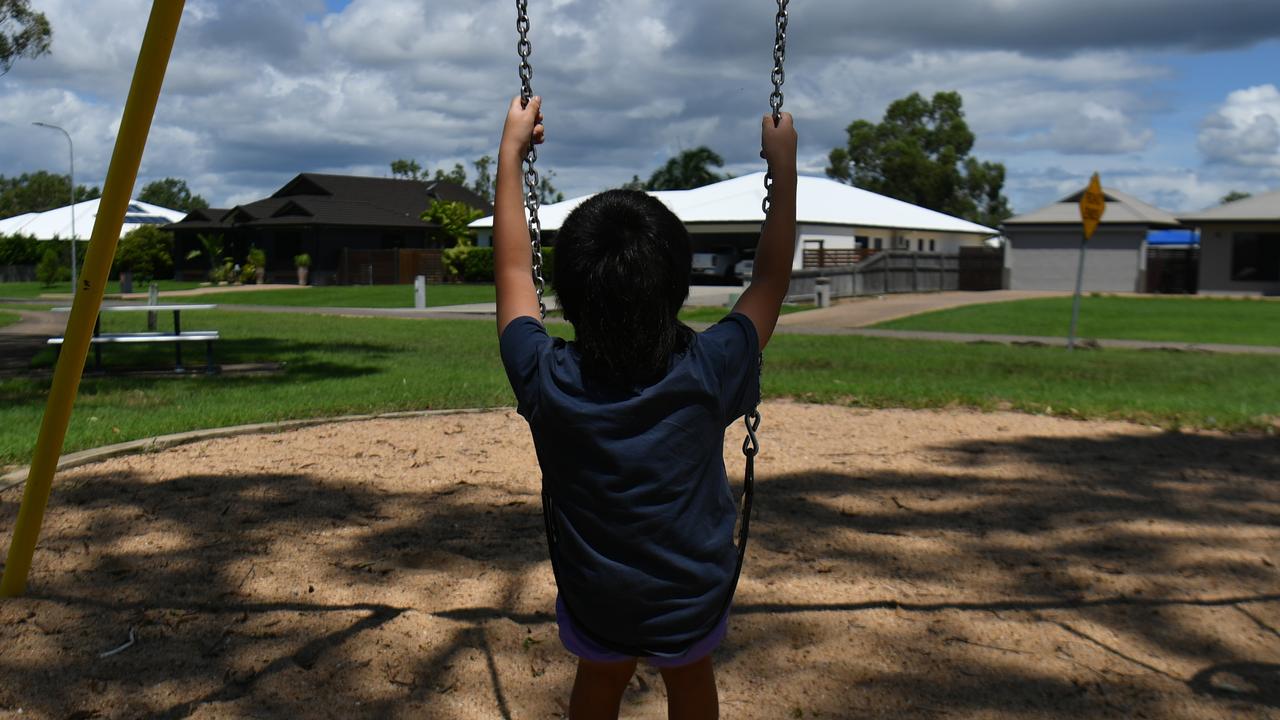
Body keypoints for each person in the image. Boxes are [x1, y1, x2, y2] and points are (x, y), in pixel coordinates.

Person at [495, 95, 797, 720]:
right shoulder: (711, 368)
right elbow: (769, 281)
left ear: (569, 295)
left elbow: (513, 269)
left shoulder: (546, 376)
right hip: (691, 593)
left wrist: (511, 154)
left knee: (600, 675)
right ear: (680, 289)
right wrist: (783, 166)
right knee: (690, 679)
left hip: (596, 596)